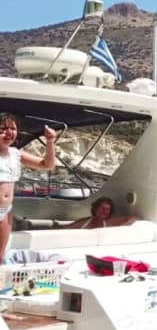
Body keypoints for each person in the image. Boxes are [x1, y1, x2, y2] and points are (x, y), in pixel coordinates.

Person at [0, 113, 59, 264]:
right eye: (3, 128)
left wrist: (50, 141)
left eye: (13, 128)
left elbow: (47, 165)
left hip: (6, 212)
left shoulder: (16, 154)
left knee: (0, 257)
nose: (9, 132)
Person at [66, 196, 138, 229]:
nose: (104, 211)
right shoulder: (84, 222)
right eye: (102, 208)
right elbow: (66, 228)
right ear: (95, 208)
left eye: (107, 209)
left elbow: (133, 218)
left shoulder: (110, 222)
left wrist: (120, 228)